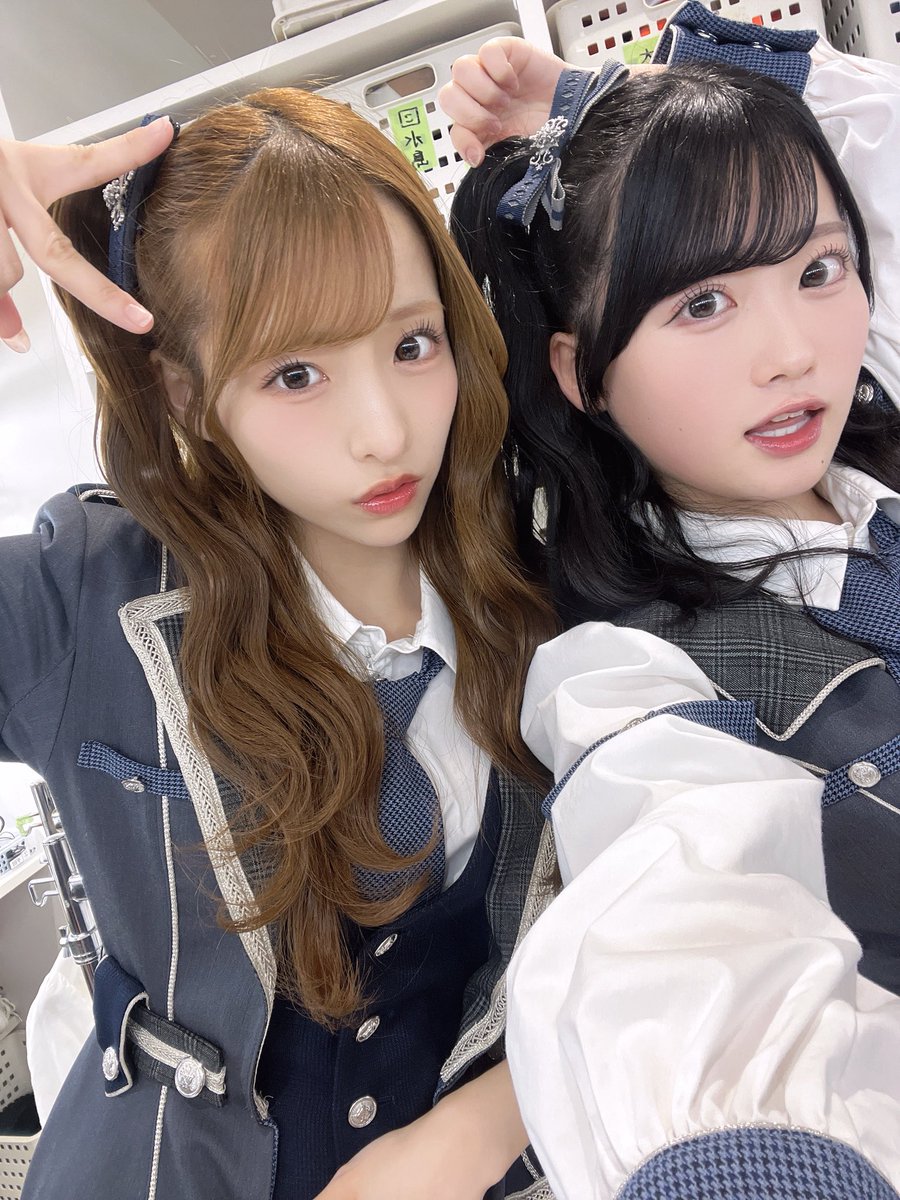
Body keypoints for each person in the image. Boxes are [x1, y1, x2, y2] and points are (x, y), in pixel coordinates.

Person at [1, 85, 561, 1200]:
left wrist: (481, 1126)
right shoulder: (82, 597)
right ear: (187, 394)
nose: (384, 431)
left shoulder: (544, 575)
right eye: (295, 373)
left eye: (412, 344)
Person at [445, 11, 900, 1200]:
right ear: (579, 370)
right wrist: (747, 1162)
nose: (792, 352)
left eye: (819, 271)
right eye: (701, 305)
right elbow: (685, 943)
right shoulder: (637, 678)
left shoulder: (880, 471)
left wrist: (612, 100)